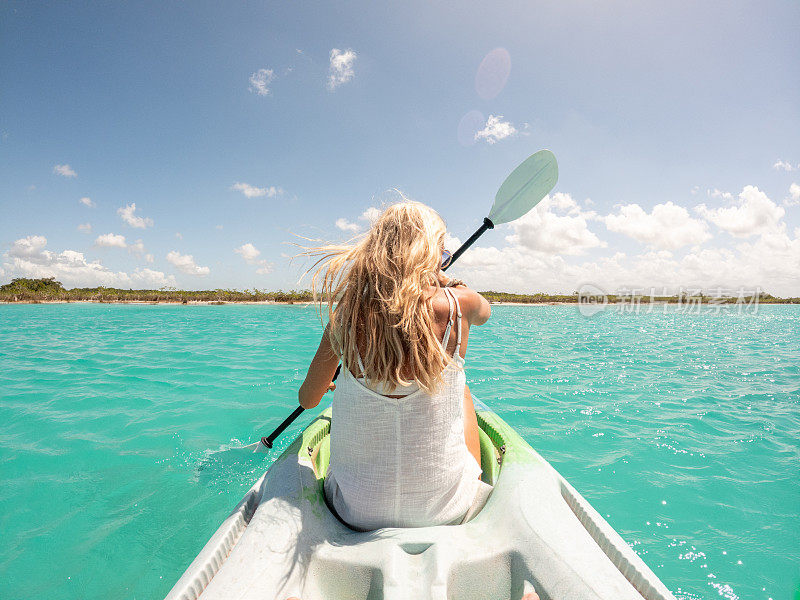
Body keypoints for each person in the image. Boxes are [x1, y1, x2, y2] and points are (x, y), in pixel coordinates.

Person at [298, 201, 491, 530]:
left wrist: (339, 379)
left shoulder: (344, 316)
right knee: (462, 389)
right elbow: (485, 312)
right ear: (430, 254)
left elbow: (308, 400)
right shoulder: (463, 304)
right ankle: (479, 479)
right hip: (448, 510)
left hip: (355, 512)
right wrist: (448, 281)